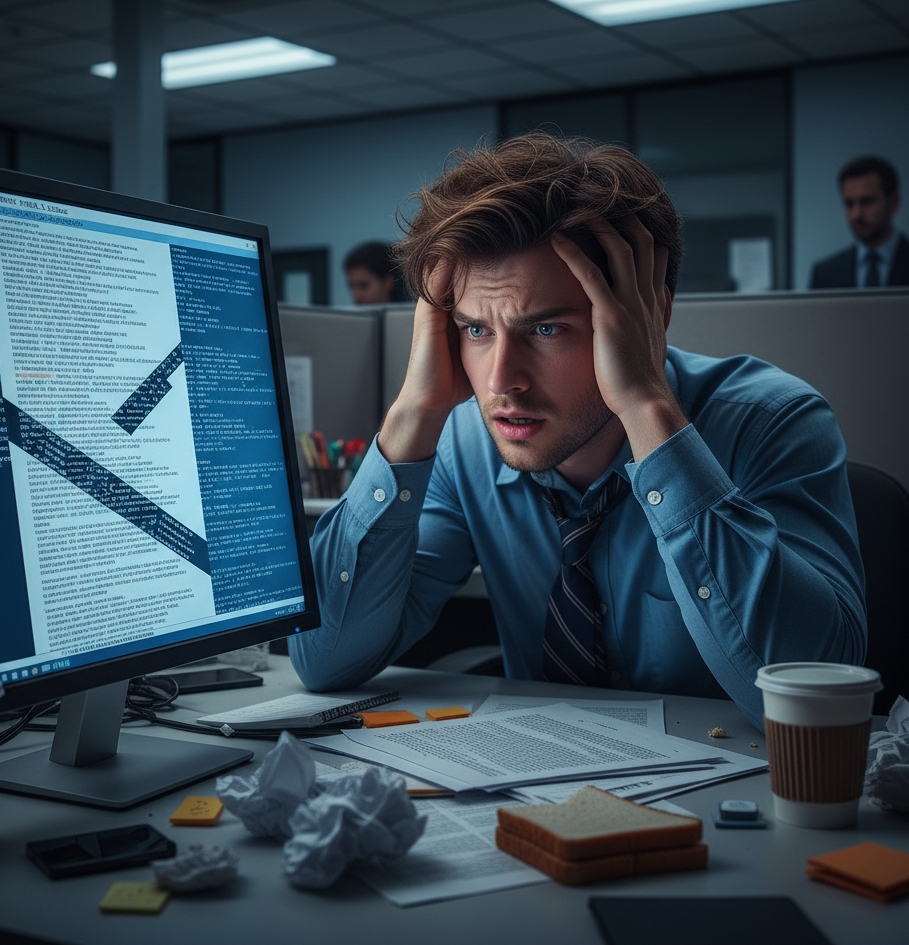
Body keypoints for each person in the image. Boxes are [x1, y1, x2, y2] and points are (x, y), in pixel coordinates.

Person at [291, 134, 866, 730]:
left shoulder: (772, 423)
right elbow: (324, 661)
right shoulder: (466, 445)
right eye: (475, 331)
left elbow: (813, 704)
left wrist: (646, 406)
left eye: (546, 331)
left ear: (650, 315)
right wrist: (413, 412)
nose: (501, 381)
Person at [810, 156, 908, 288]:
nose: (856, 214)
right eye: (849, 204)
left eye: (867, 202)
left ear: (893, 202)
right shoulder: (825, 273)